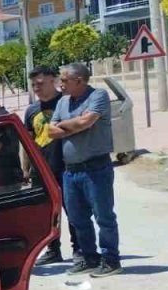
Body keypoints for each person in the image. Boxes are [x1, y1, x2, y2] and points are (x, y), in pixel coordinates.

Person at [49, 63, 121, 278]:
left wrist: (67, 126)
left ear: (79, 80)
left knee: (103, 216)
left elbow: (86, 122)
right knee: (77, 219)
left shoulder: (98, 96)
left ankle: (111, 260)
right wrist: (74, 125)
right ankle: (90, 257)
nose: (60, 85)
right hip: (71, 172)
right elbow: (51, 131)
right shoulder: (62, 102)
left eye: (64, 80)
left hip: (96, 168)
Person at [24, 66, 80, 265]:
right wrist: (26, 168)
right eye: (33, 85)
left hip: (65, 166)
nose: (36, 88)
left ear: (53, 81)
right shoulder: (31, 110)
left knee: (72, 210)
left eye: (40, 83)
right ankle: (53, 249)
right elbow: (28, 141)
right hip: (41, 170)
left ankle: (79, 249)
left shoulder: (66, 103)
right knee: (48, 214)